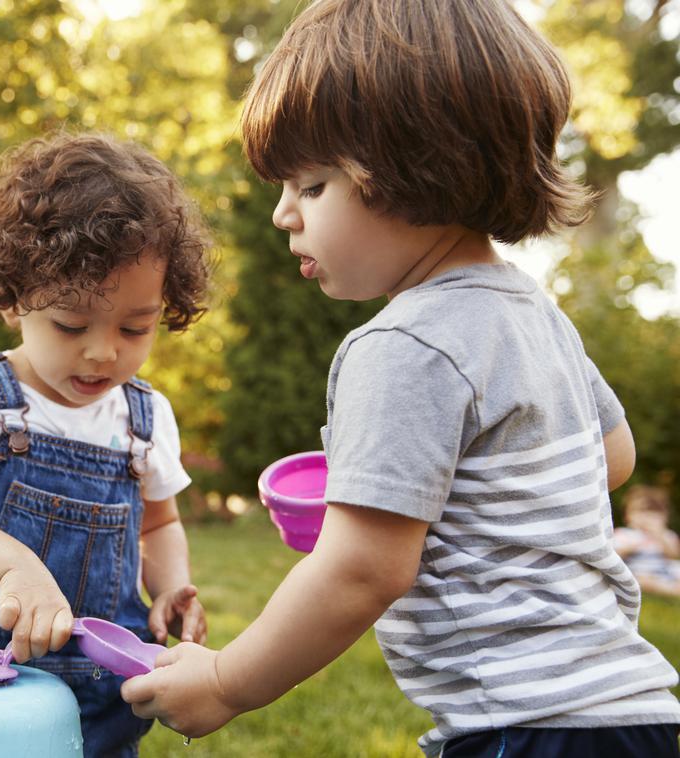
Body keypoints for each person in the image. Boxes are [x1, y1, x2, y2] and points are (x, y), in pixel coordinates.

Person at [121, 1, 680, 756]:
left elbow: (360, 573)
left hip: (523, 724)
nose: (284, 213)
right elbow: (612, 456)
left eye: (313, 186)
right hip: (631, 710)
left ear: (422, 168)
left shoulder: (402, 343)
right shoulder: (533, 311)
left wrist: (224, 681)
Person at [0, 132, 211, 757]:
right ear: (15, 297)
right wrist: (13, 565)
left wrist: (172, 585)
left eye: (134, 327)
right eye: (71, 324)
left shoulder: (145, 417)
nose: (103, 350)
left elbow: (158, 525)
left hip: (101, 701)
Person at [614, 485, 680, 597]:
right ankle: (669, 590)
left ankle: (667, 587)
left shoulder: (666, 535)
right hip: (638, 571)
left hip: (663, 571)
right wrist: (631, 547)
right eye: (640, 513)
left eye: (652, 514)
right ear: (627, 516)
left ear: (664, 517)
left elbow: (674, 554)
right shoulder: (625, 534)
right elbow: (614, 555)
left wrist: (660, 535)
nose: (646, 518)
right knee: (639, 580)